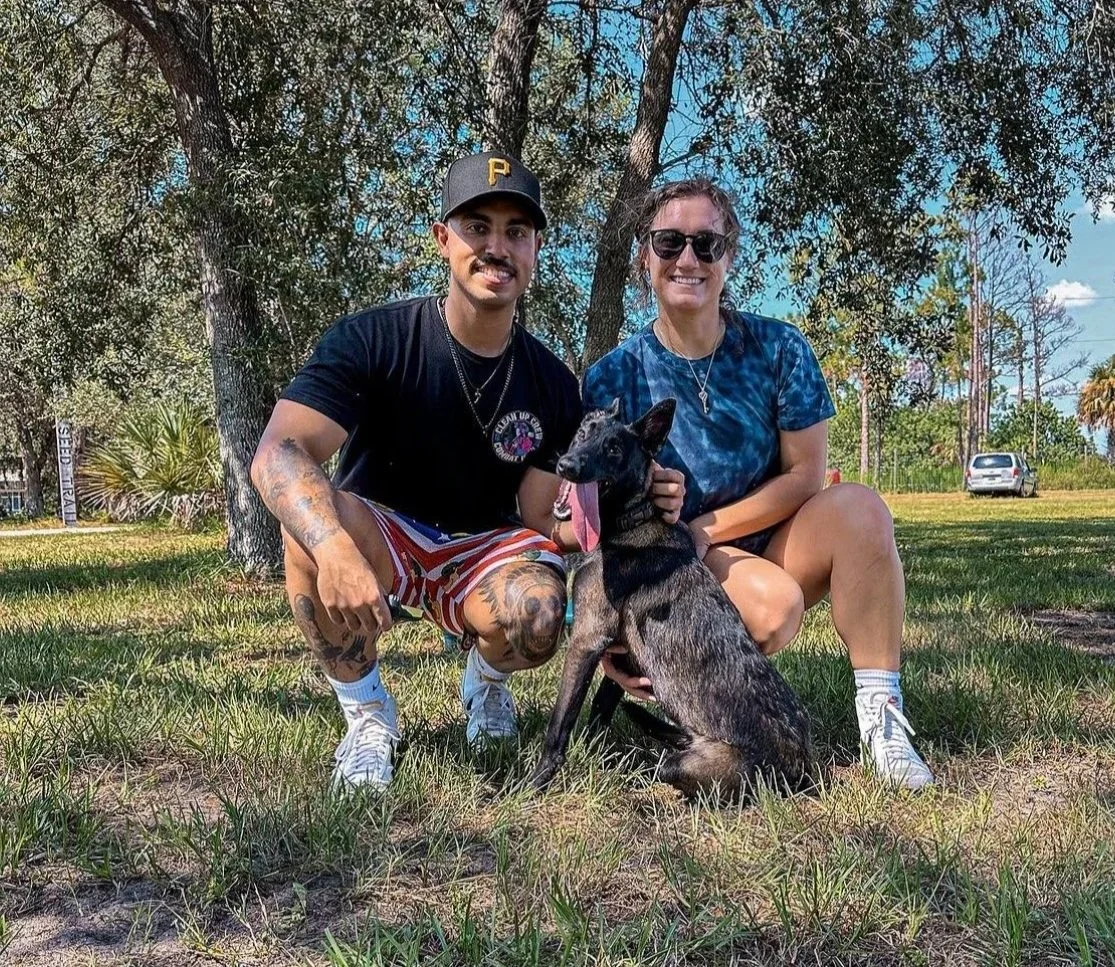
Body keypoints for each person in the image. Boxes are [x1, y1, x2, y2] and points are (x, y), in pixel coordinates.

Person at [251, 151, 683, 791]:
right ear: (443, 239)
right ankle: (367, 716)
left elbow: (540, 518)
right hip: (381, 532)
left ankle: (486, 684)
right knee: (307, 522)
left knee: (539, 609)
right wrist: (335, 546)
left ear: (535, 249)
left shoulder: (551, 381)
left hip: (483, 547)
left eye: (516, 231)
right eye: (477, 227)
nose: (496, 248)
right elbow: (278, 452)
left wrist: (638, 498)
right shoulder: (372, 338)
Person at [582, 177, 933, 790]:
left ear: (729, 257)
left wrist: (703, 527)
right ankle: (704, 717)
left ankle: (882, 719)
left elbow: (806, 475)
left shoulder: (778, 348)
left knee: (862, 509)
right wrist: (607, 630)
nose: (687, 259)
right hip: (673, 570)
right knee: (772, 610)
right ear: (644, 256)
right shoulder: (614, 375)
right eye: (668, 242)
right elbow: (589, 517)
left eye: (706, 244)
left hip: (761, 539)